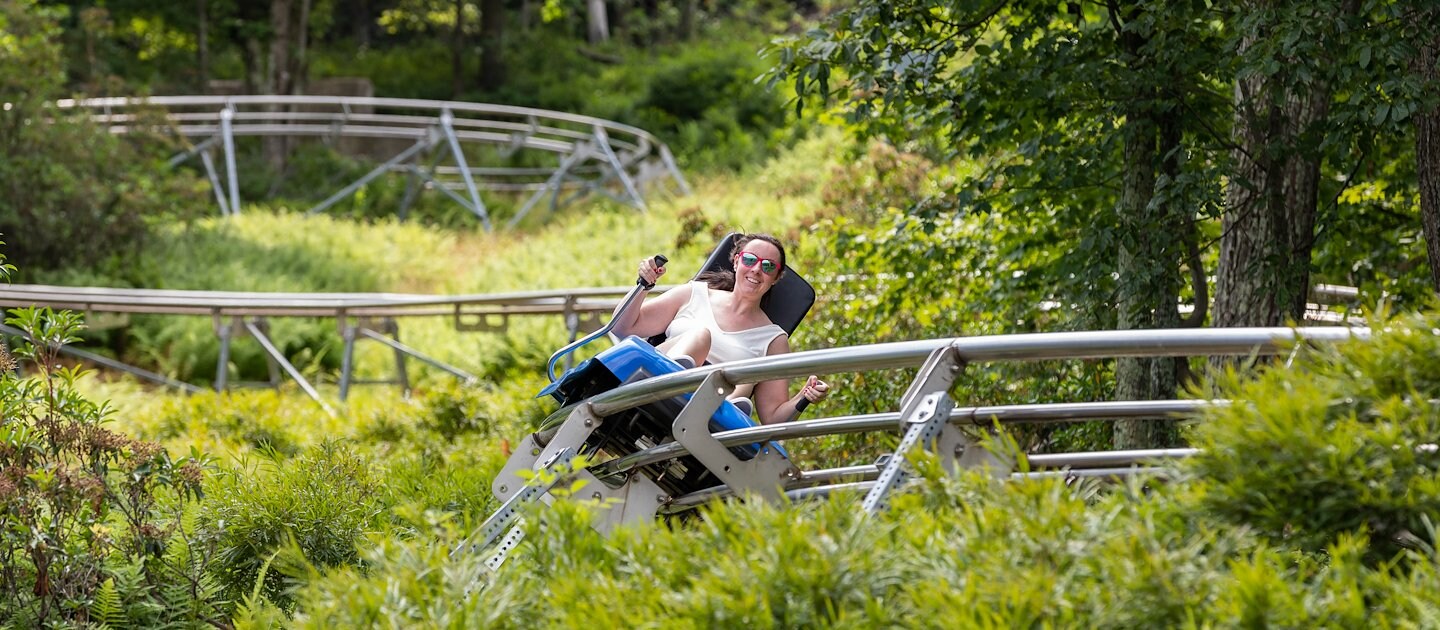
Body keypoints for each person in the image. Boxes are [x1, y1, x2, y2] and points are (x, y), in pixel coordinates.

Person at [610, 233, 832, 425]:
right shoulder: (693, 294)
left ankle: (727, 410)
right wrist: (644, 285)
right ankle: (678, 380)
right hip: (659, 379)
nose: (756, 270)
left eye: (767, 266)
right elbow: (622, 327)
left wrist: (804, 397)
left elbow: (772, 418)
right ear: (736, 262)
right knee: (700, 337)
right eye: (750, 260)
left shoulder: (773, 339)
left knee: (746, 376)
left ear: (776, 278)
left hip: (712, 408)